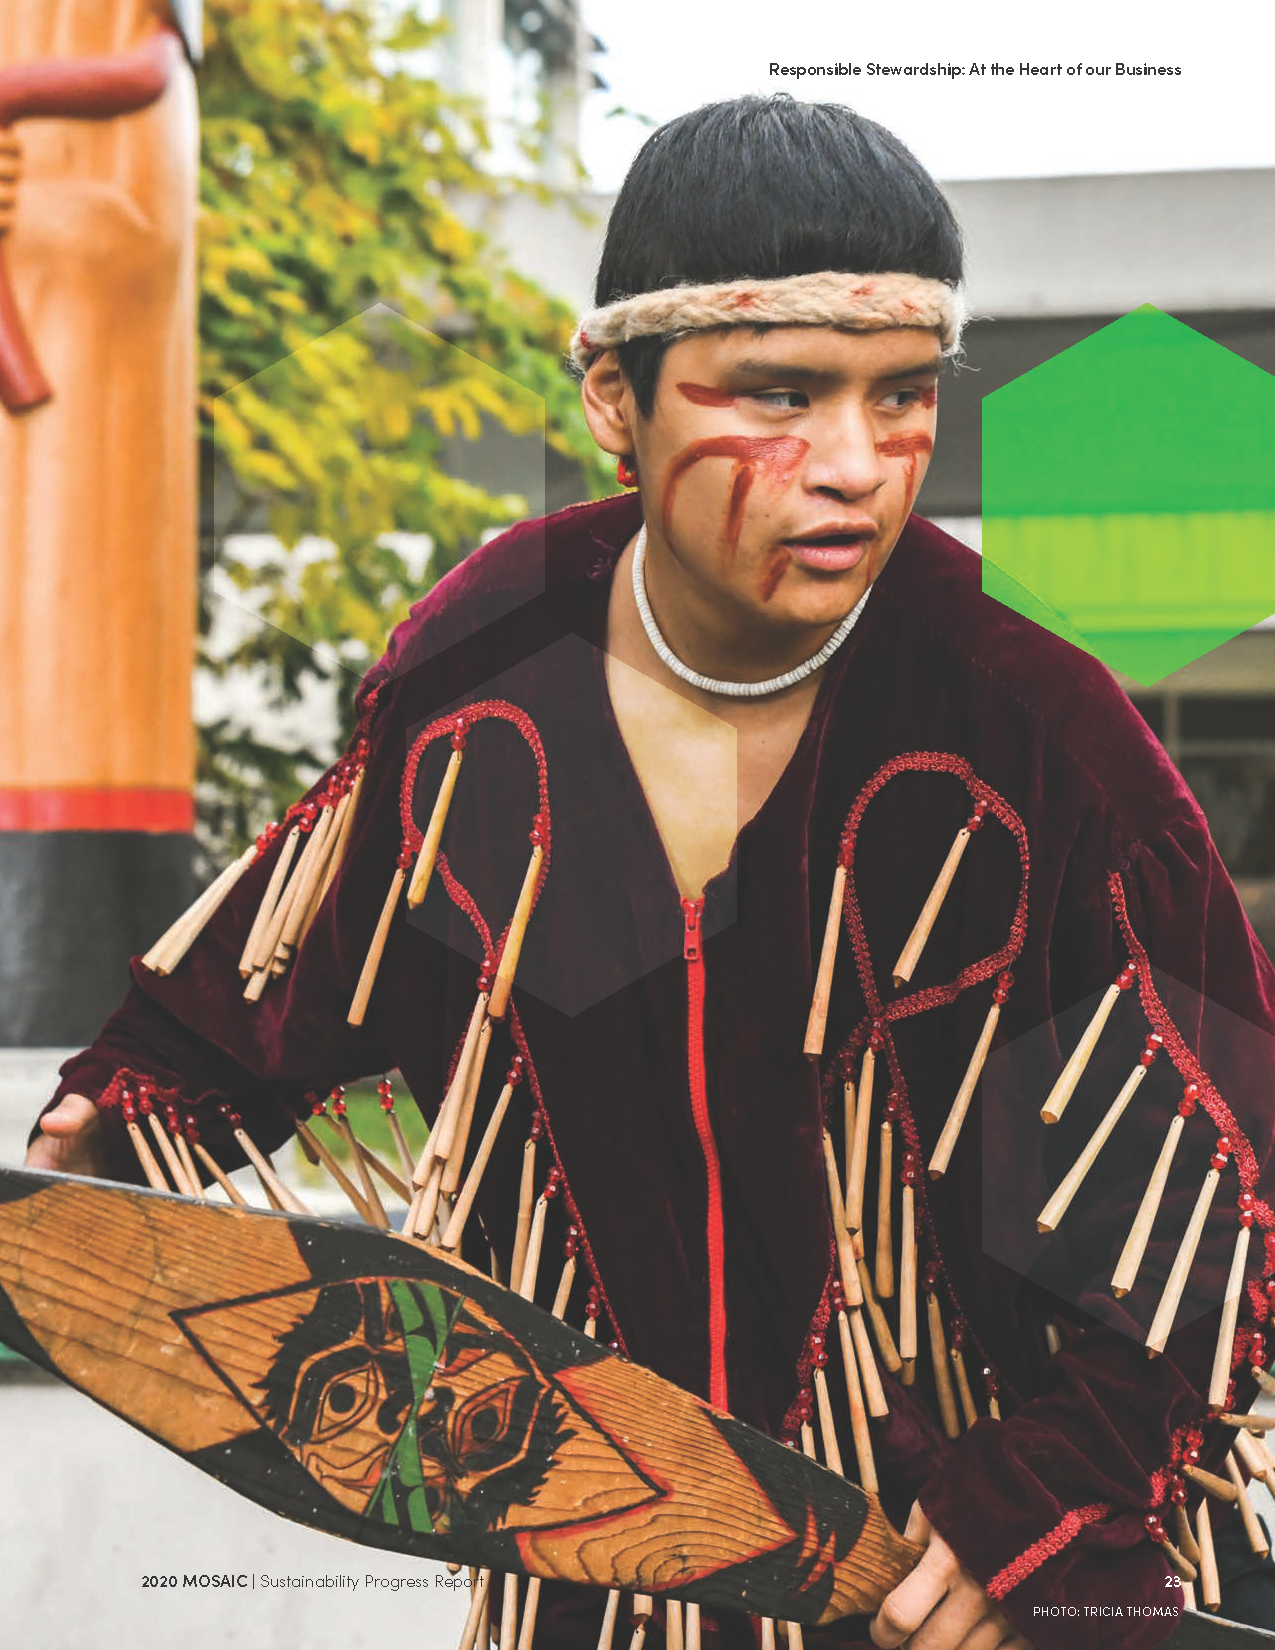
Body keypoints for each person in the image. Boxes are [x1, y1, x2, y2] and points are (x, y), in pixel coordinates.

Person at [26, 96, 1275, 1650]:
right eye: (779, 393)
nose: (855, 464)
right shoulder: (489, 660)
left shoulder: (1030, 725)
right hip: (601, 1552)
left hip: (963, 1577)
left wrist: (1050, 1498)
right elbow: (315, 937)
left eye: (900, 395)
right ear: (613, 398)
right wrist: (120, 1115)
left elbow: (1222, 1170)